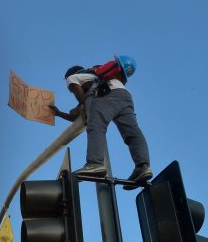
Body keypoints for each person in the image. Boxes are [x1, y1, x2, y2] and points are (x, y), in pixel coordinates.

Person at [50, 56, 152, 185]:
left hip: (108, 95)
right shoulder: (95, 80)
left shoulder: (74, 77)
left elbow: (82, 100)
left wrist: (83, 105)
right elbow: (76, 117)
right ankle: (142, 167)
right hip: (124, 97)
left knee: (96, 126)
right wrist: (59, 113)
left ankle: (95, 164)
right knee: (132, 134)